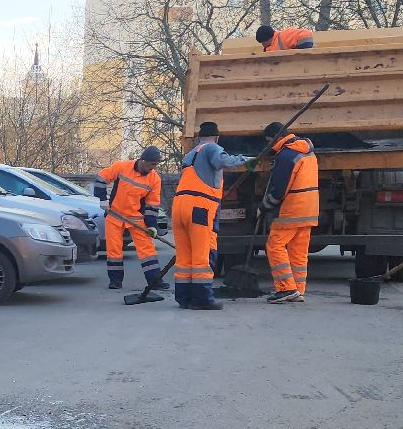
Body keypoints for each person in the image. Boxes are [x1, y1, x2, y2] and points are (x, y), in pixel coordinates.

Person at [175, 123, 250, 310]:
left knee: (184, 255)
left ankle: (184, 298)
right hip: (199, 207)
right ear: (217, 137)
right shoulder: (212, 148)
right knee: (203, 253)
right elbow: (223, 160)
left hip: (179, 206)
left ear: (199, 137)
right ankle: (202, 299)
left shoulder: (190, 154)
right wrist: (247, 160)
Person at [259, 120, 321, 304]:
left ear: (274, 138)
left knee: (274, 245)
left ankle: (286, 288)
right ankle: (298, 290)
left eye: (269, 142)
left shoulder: (286, 155)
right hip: (310, 207)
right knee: (298, 251)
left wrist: (264, 206)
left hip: (293, 208)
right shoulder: (307, 151)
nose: (269, 146)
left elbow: (279, 190)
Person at [94, 147, 166, 291]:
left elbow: (152, 205)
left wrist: (152, 225)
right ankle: (115, 281)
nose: (153, 168)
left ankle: (155, 281)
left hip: (136, 218)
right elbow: (101, 178)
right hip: (115, 215)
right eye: (152, 164)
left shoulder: (155, 179)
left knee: (147, 250)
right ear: (143, 161)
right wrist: (102, 199)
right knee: (114, 250)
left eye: (155, 165)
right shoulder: (122, 167)